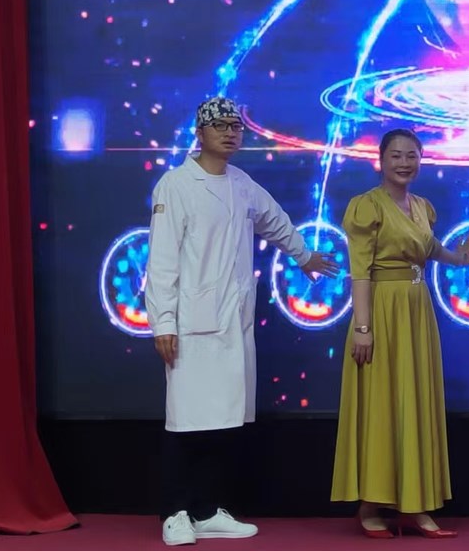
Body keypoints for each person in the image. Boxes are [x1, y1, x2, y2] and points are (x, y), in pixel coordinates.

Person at [145, 96, 339, 547]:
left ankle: (207, 510)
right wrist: (163, 322)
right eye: (221, 126)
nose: (231, 133)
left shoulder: (242, 184)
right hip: (191, 324)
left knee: (223, 421)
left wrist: (303, 255)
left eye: (236, 127)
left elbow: (275, 221)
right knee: (187, 421)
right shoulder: (176, 185)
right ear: (200, 133)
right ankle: (174, 512)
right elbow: (162, 260)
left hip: (234, 321)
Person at [331, 128, 469, 539]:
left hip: (416, 311)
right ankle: (370, 504)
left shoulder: (422, 207)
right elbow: (360, 272)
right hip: (381, 310)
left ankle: (415, 504)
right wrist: (363, 328)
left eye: (411, 155)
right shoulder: (366, 207)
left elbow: (427, 248)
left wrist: (457, 259)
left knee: (414, 401)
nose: (404, 162)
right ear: (380, 160)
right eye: (396, 155)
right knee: (381, 403)